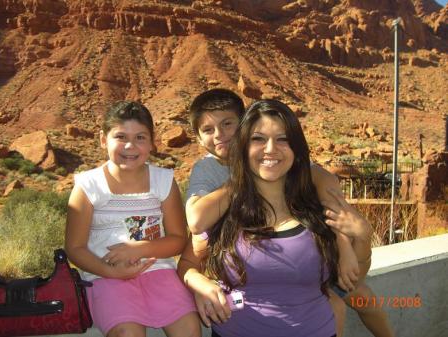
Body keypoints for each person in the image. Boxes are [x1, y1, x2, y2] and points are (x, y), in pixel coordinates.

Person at [181, 89, 394, 337]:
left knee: (343, 303)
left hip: (313, 320)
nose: (270, 149)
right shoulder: (218, 203)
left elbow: (353, 277)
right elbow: (192, 244)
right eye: (258, 139)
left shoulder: (310, 203)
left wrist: (355, 239)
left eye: (282, 140)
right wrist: (201, 285)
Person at [65, 101, 201, 337]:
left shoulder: (164, 181)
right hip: (104, 274)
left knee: (189, 328)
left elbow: (178, 239)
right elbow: (75, 248)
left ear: (151, 142)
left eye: (140, 137)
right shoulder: (88, 185)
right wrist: (111, 272)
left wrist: (138, 249)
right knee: (128, 332)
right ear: (102, 139)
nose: (130, 145)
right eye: (120, 136)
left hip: (159, 270)